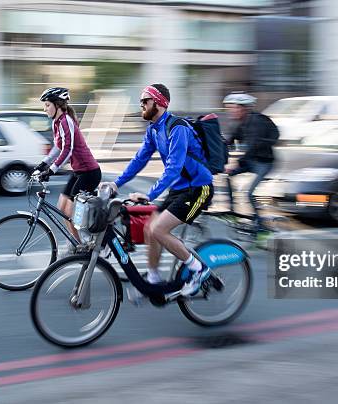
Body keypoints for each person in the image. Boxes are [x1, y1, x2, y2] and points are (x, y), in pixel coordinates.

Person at [109, 84, 214, 297]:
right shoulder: (153, 130)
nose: (141, 104)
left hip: (198, 188)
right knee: (149, 228)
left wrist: (150, 195)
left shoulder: (177, 128)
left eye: (145, 101)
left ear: (159, 103)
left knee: (158, 230)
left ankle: (199, 269)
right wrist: (115, 184)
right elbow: (139, 160)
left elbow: (174, 167)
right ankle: (154, 280)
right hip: (179, 190)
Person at [33, 87, 101, 254]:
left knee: (71, 211)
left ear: (57, 105)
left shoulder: (66, 121)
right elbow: (58, 146)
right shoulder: (57, 122)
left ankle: (90, 242)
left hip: (90, 172)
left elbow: (67, 149)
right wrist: (43, 164)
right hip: (79, 171)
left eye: (47, 105)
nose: (45, 108)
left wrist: (52, 170)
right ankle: (77, 243)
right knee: (62, 206)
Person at [222, 92, 279, 232]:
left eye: (233, 108)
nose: (231, 111)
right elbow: (228, 141)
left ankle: (261, 226)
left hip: (264, 163)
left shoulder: (256, 122)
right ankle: (232, 212)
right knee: (227, 175)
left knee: (249, 193)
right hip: (252, 161)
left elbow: (253, 147)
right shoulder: (241, 123)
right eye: (229, 108)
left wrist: (235, 163)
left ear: (244, 108)